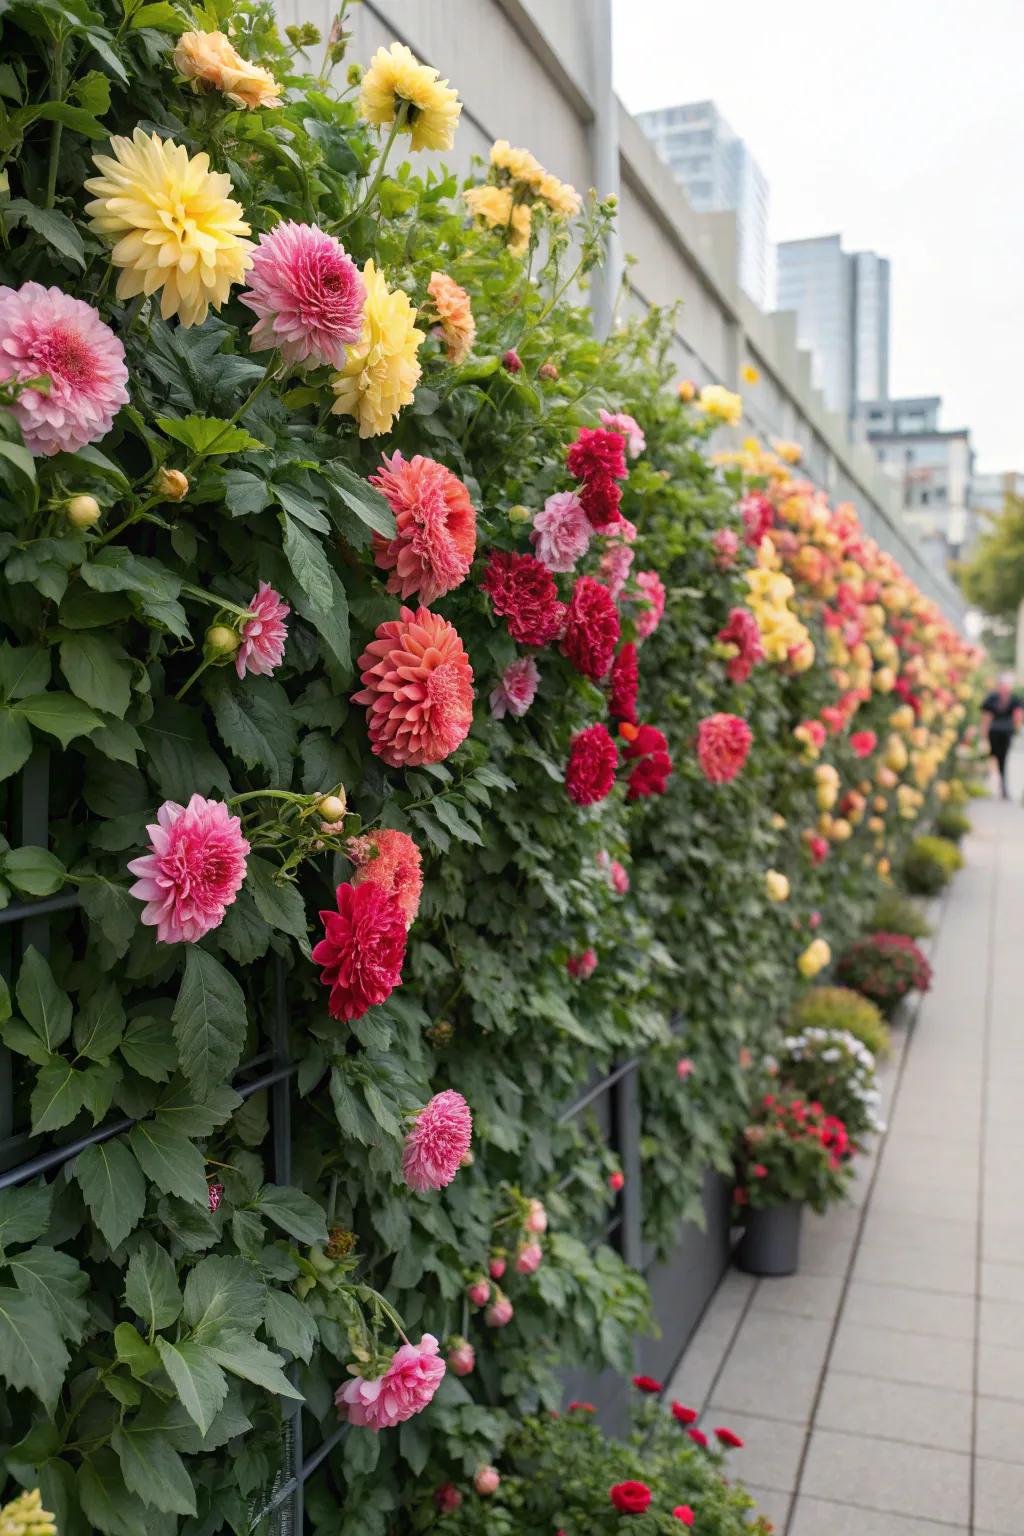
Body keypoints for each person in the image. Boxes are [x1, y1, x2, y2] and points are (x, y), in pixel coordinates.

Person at [981, 674, 1024, 798]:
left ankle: (1002, 785)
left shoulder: (1014, 699)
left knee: (1002, 758)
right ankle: (996, 782)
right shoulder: (992, 699)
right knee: (994, 756)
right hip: (994, 732)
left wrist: (1017, 728)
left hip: (1006, 732)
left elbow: (1018, 716)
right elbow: (986, 717)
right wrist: (984, 734)